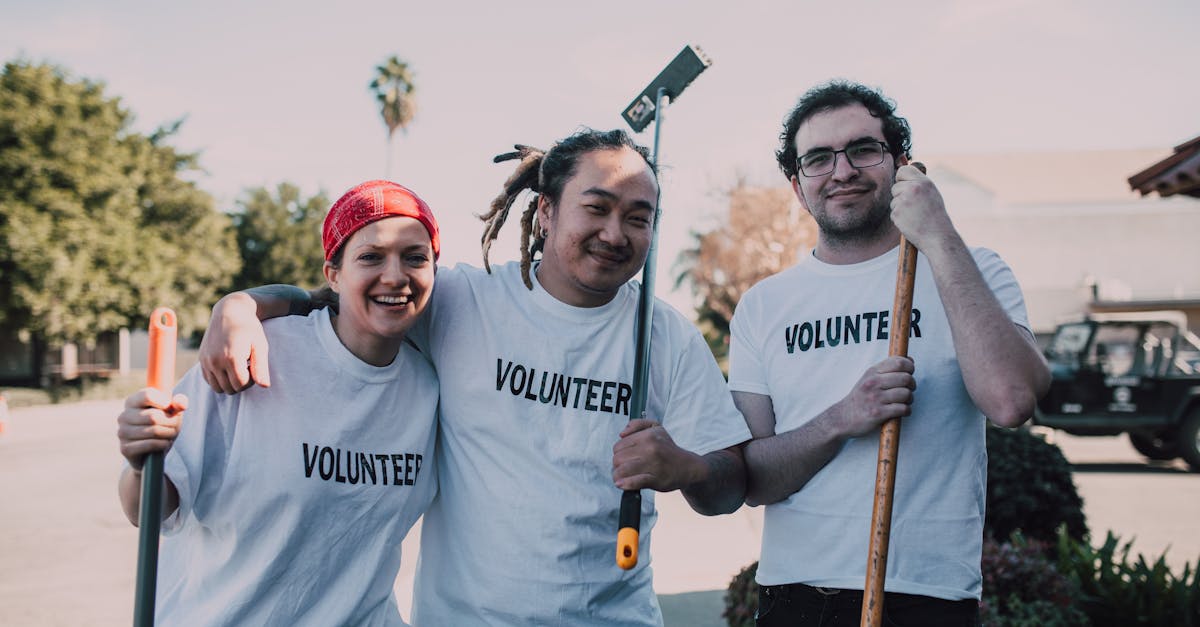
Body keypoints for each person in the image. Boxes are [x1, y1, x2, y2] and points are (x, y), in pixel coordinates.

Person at [198, 129, 752, 625]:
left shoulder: (668, 336)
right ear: (546, 213)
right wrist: (241, 305)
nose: (615, 233)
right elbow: (343, 300)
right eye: (597, 208)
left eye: (638, 217)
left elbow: (729, 487)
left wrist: (685, 467)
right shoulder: (464, 300)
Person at [729, 81, 1050, 626]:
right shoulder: (764, 306)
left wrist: (938, 235)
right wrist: (841, 419)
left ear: (901, 164)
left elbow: (1011, 399)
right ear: (797, 186)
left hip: (928, 596)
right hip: (793, 598)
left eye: (863, 149)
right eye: (818, 159)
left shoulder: (973, 269)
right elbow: (750, 479)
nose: (843, 171)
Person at [116, 180, 442, 625]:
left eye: (414, 257)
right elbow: (149, 511)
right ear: (333, 273)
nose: (394, 276)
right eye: (370, 256)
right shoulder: (253, 352)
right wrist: (141, 461)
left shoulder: (431, 386)